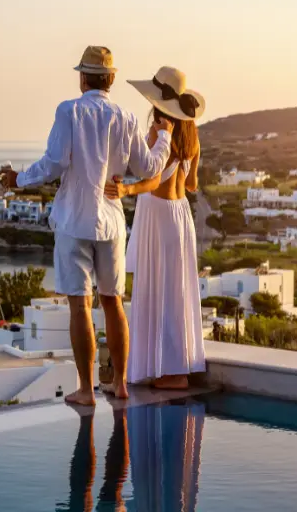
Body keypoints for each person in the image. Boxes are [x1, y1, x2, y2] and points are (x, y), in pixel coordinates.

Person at [1, 46, 173, 405]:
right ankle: (121, 383)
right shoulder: (126, 118)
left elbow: (52, 164)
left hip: (73, 221)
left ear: (83, 78)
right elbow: (149, 169)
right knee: (113, 304)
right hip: (111, 224)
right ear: (111, 80)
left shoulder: (69, 111)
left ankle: (85, 389)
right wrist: (165, 137)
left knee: (79, 307)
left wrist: (18, 179)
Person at [105, 66, 206, 389]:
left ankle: (170, 373)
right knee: (176, 293)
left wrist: (125, 190)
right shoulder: (192, 137)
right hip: (180, 216)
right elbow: (191, 185)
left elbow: (150, 180)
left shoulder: (156, 135)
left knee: (157, 292)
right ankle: (177, 368)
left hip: (158, 217)